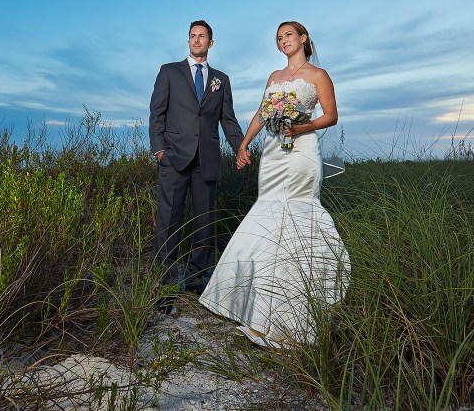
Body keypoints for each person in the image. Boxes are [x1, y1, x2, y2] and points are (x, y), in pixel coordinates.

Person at [199, 21, 350, 347]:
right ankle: (259, 306)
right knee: (268, 214)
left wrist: (301, 127)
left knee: (296, 212)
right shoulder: (274, 77)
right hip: (273, 152)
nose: (283, 41)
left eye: (288, 35)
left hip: (301, 151)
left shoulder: (318, 75)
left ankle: (301, 304)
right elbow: (261, 114)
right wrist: (243, 145)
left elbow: (331, 115)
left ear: (303, 38)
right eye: (279, 38)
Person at [149, 20, 245, 311]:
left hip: (207, 160)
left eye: (202, 36)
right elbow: (156, 114)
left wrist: (240, 148)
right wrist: (159, 151)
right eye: (193, 36)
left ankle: (195, 280)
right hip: (174, 159)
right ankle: (165, 287)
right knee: (169, 222)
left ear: (210, 43)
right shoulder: (169, 71)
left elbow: (228, 120)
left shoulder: (221, 79)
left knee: (204, 223)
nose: (196, 40)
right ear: (188, 40)